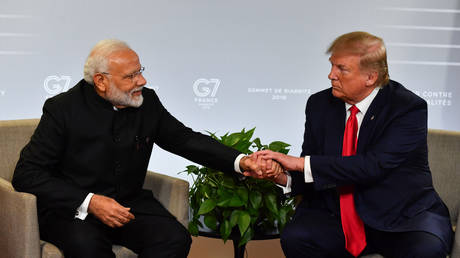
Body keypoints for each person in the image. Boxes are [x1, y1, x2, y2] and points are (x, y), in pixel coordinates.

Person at [12, 39, 279, 258]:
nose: (142, 80)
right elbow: (27, 174)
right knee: (88, 248)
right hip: (73, 211)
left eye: (140, 70)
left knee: (174, 239)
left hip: (128, 205)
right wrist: (91, 201)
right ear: (101, 81)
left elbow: (184, 139)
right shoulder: (62, 109)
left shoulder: (146, 102)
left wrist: (241, 161)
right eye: (131, 76)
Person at [248, 32, 454, 258]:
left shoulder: (407, 108)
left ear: (371, 77)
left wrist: (299, 163)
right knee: (297, 238)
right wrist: (282, 176)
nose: (330, 75)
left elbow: (372, 166)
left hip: (401, 218)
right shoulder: (319, 104)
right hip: (339, 217)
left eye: (341, 69)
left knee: (426, 250)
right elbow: (313, 167)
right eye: (331, 66)